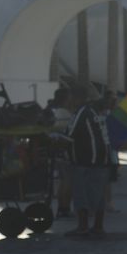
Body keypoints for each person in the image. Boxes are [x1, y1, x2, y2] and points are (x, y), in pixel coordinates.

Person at [65, 86, 109, 237]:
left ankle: (82, 226)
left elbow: (70, 134)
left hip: (84, 159)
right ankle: (98, 226)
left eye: (71, 97)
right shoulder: (96, 112)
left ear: (77, 98)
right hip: (101, 159)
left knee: (81, 194)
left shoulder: (81, 112)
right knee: (98, 194)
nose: (69, 100)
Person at [50, 87, 74, 218]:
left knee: (62, 181)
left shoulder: (53, 111)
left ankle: (62, 208)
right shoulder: (64, 113)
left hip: (56, 151)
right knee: (68, 181)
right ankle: (64, 208)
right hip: (64, 151)